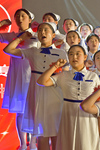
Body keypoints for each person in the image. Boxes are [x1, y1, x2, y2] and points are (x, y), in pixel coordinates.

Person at [3, 22, 68, 150]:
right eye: (40, 31)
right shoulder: (33, 51)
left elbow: (65, 76)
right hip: (35, 92)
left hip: (53, 93)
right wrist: (21, 38)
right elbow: (8, 50)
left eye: (46, 30)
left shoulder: (61, 53)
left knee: (55, 130)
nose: (42, 33)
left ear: (53, 35)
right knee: (40, 132)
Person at [37, 45, 100, 150]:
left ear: (85, 57)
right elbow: (41, 81)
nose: (74, 57)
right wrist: (55, 66)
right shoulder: (63, 75)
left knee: (87, 144)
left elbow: (98, 102)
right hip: (68, 114)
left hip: (87, 116)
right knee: (68, 143)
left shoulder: (93, 76)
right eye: (71, 54)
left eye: (77, 54)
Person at [0, 8, 38, 150]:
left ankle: (33, 143)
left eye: (23, 16)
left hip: (33, 76)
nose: (20, 19)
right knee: (20, 111)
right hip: (17, 77)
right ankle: (22, 144)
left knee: (35, 110)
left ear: (30, 19)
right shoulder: (13, 36)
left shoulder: (37, 36)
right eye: (17, 16)